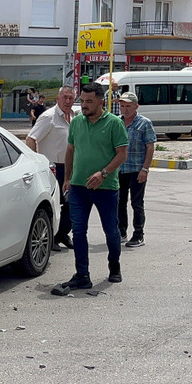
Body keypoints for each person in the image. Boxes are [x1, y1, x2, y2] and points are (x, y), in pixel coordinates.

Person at [59, 82, 128, 291]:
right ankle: (82, 274)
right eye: (82, 101)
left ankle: (114, 267)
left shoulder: (115, 123)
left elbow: (122, 153)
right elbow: (70, 150)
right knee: (78, 231)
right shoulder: (77, 122)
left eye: (89, 101)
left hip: (106, 187)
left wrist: (104, 173)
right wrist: (68, 178)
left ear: (101, 102)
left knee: (110, 230)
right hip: (79, 187)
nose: (84, 105)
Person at [26, 86, 77, 251]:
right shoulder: (49, 117)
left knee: (73, 204)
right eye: (65, 98)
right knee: (55, 205)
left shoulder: (75, 116)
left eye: (71, 98)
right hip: (54, 168)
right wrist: (37, 164)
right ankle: (52, 237)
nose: (68, 101)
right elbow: (31, 139)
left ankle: (62, 234)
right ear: (58, 99)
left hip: (71, 167)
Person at [117, 92, 156, 248]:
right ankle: (121, 232)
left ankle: (138, 235)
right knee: (119, 202)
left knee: (137, 203)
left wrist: (145, 169)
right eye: (122, 106)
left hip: (136, 169)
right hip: (120, 170)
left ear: (136, 106)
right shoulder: (117, 122)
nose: (125, 110)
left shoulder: (144, 123)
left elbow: (150, 146)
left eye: (128, 106)